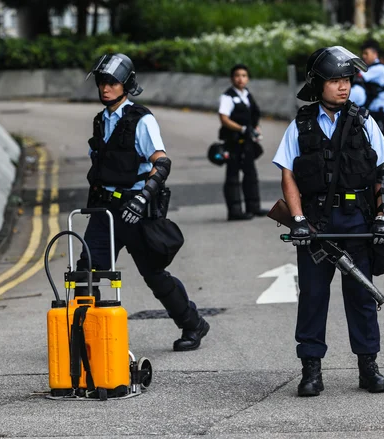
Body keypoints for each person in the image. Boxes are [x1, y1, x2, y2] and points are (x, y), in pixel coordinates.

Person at [272, 46, 384, 397]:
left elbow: (382, 174)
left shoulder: (364, 120)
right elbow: (288, 174)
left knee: (361, 295)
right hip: (316, 224)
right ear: (318, 84)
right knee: (312, 296)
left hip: (357, 220)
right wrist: (297, 219)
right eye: (335, 80)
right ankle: (311, 369)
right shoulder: (301, 125)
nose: (343, 87)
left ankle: (368, 366)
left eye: (347, 80)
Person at [78, 53, 209, 351]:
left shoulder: (141, 120)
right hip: (104, 210)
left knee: (154, 276)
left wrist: (142, 199)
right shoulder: (101, 120)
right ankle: (89, 336)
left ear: (127, 85)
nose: (105, 88)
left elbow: (161, 163)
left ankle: (193, 324)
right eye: (102, 82)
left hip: (133, 210)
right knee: (86, 271)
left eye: (112, 82)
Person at [217, 64, 268, 220]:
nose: (241, 79)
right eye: (237, 75)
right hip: (233, 141)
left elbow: (254, 117)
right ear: (232, 78)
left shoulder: (247, 95)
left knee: (251, 174)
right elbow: (224, 119)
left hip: (247, 142)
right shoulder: (227, 97)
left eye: (244, 75)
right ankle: (235, 211)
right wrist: (241, 128)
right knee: (232, 176)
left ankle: (254, 206)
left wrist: (255, 129)